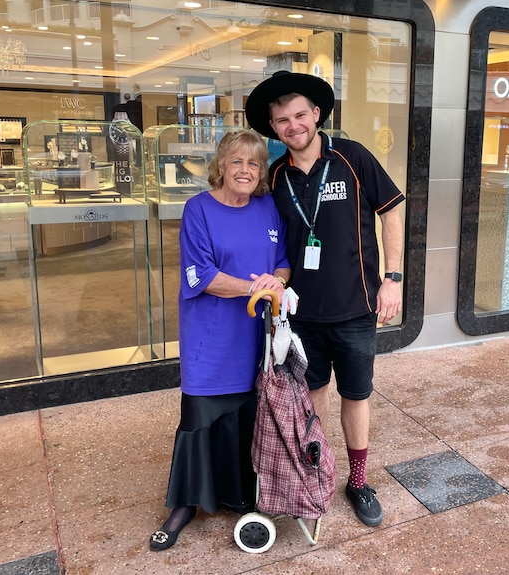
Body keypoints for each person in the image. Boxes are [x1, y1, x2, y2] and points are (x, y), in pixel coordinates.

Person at [245, 71, 405, 528]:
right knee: (311, 397)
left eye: (300, 115)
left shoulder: (351, 157)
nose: (292, 125)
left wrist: (391, 279)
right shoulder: (274, 176)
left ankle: (357, 481)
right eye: (281, 120)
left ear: (316, 115)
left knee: (356, 395)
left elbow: (392, 209)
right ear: (273, 127)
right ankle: (315, 475)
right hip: (301, 315)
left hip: (355, 307)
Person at [149, 130, 290, 551]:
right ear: (220, 166)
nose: (245, 171)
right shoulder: (198, 210)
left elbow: (282, 263)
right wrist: (256, 290)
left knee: (248, 415)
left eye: (254, 164)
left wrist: (275, 282)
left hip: (254, 335)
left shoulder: (268, 208)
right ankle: (185, 504)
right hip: (210, 337)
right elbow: (203, 276)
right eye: (237, 162)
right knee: (199, 417)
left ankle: (239, 494)